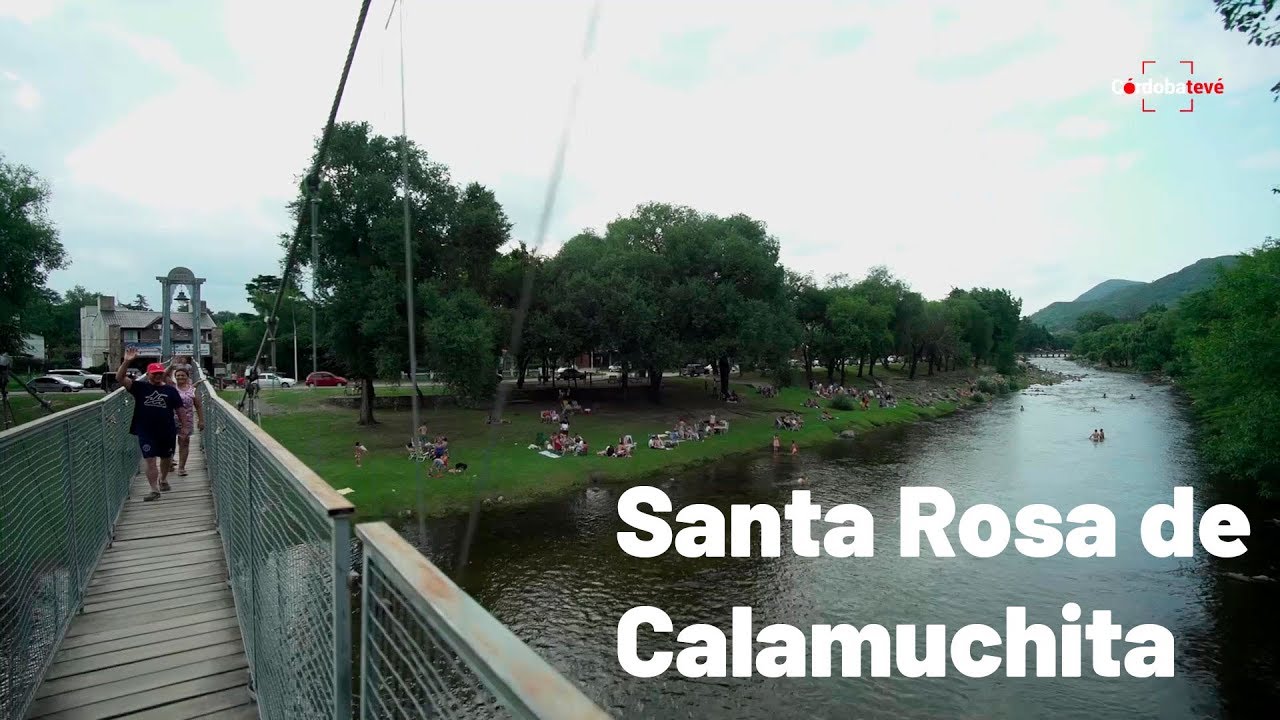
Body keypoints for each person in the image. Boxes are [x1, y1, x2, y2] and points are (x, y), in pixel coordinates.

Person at [117, 348, 183, 501]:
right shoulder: (140, 387)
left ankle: (163, 479)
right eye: (155, 373)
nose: (158, 375)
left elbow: (180, 409)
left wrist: (184, 426)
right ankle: (154, 490)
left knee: (167, 457)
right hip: (145, 430)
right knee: (150, 459)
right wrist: (127, 361)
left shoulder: (170, 390)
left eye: (160, 373)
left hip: (166, 429)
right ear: (148, 375)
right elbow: (120, 378)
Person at [170, 367, 205, 476]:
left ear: (187, 377)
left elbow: (198, 406)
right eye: (178, 375)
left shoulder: (192, 390)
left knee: (184, 443)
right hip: (170, 419)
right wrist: (170, 367)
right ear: (175, 377)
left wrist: (201, 420)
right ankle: (169, 461)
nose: (180, 377)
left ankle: (181, 467)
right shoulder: (171, 388)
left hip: (187, 420)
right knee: (168, 443)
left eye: (182, 375)